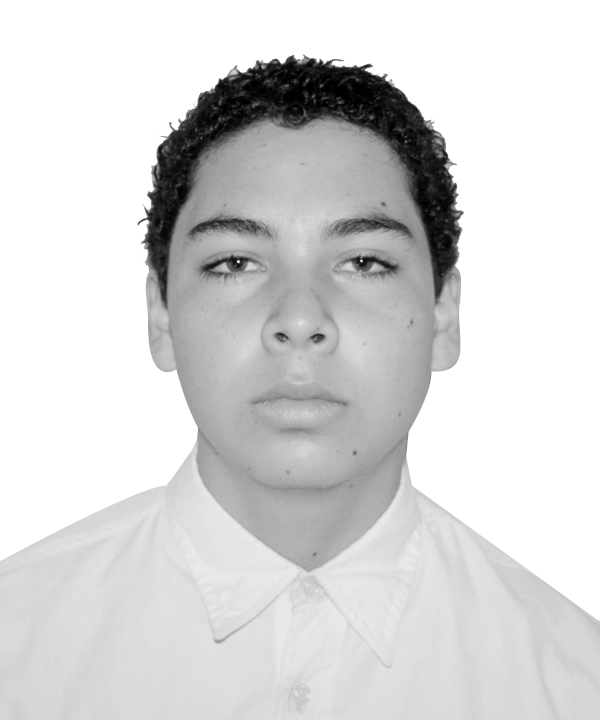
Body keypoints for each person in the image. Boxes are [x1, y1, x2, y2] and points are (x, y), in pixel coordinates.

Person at [0, 56, 598, 719]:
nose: (300, 319)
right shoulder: (16, 649)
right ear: (161, 316)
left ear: (443, 317)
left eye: (364, 261)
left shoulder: (574, 683)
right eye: (235, 262)